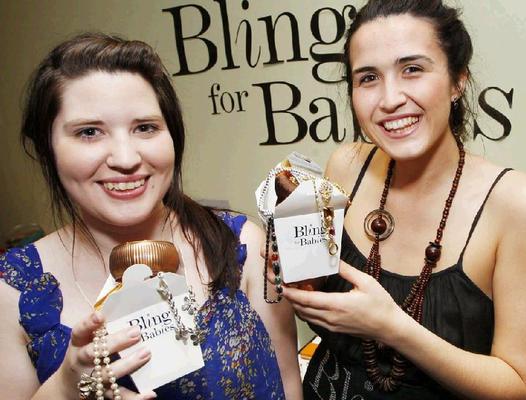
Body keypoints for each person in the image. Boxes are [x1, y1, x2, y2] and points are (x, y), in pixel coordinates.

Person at [282, 1, 526, 399]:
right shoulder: (345, 165)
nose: (390, 98)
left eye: (412, 69)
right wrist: (295, 276)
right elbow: (314, 294)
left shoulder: (523, 205)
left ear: (457, 80)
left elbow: (518, 388)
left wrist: (391, 327)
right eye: (368, 78)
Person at [0, 33, 302, 400]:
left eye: (145, 128)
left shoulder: (241, 244)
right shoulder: (12, 291)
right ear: (48, 147)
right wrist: (66, 388)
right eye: (89, 132)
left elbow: (288, 382)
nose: (126, 159)